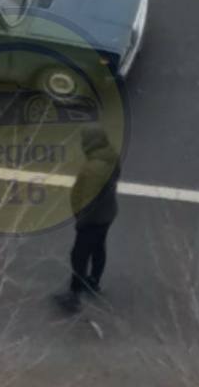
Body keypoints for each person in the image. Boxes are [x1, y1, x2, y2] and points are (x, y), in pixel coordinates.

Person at [56, 123, 120, 313]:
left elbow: (87, 199)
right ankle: (94, 281)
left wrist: (81, 221)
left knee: (79, 255)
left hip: (92, 219)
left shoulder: (93, 168)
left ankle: (74, 296)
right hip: (108, 212)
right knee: (99, 247)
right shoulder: (112, 157)